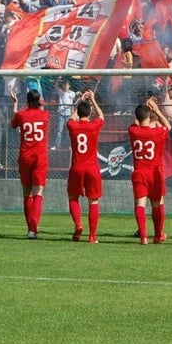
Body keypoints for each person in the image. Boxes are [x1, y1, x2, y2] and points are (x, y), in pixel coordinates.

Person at [128, 98, 170, 245]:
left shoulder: (133, 131)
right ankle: (158, 235)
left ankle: (143, 237)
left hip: (139, 172)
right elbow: (168, 126)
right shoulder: (158, 132)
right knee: (157, 204)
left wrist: (143, 111)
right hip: (155, 173)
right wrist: (156, 110)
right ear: (149, 116)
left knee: (140, 204)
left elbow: (135, 121)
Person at [66, 90, 104, 244]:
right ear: (90, 114)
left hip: (76, 167)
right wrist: (93, 100)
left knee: (73, 198)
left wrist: (79, 102)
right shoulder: (94, 126)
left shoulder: (73, 126)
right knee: (93, 202)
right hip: (92, 168)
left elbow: (71, 118)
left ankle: (78, 225)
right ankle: (92, 236)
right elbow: (101, 116)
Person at [10, 90, 49, 239]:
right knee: (38, 193)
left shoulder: (21, 115)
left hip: (25, 157)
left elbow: (13, 124)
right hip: (39, 157)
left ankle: (30, 230)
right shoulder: (45, 115)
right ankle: (34, 227)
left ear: (26, 101)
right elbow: (42, 111)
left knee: (26, 193)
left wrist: (15, 104)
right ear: (39, 100)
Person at [52, 80, 76, 150]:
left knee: (69, 131)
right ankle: (57, 146)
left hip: (69, 114)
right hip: (61, 114)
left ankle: (70, 145)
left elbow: (76, 97)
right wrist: (59, 79)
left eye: (67, 85)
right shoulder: (61, 92)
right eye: (64, 85)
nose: (65, 86)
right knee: (59, 130)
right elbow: (55, 86)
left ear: (69, 86)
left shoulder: (72, 93)